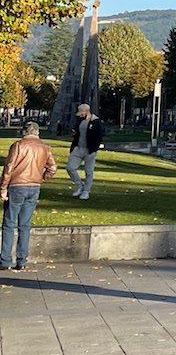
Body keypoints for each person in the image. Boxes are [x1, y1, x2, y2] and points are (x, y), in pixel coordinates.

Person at [1, 121, 58, 271]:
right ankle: (22, 260)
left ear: (24, 132)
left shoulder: (18, 145)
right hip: (34, 186)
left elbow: (9, 167)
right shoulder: (45, 148)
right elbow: (52, 167)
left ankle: (5, 260)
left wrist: (3, 188)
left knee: (9, 223)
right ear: (37, 132)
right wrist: (42, 177)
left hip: (17, 186)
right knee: (25, 225)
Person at [67, 103, 104, 201]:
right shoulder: (80, 121)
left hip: (90, 150)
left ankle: (86, 191)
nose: (79, 115)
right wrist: (74, 134)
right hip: (78, 148)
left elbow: (99, 136)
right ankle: (80, 185)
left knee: (89, 171)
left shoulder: (96, 122)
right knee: (70, 168)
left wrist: (94, 148)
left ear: (86, 111)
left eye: (81, 112)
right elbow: (76, 132)